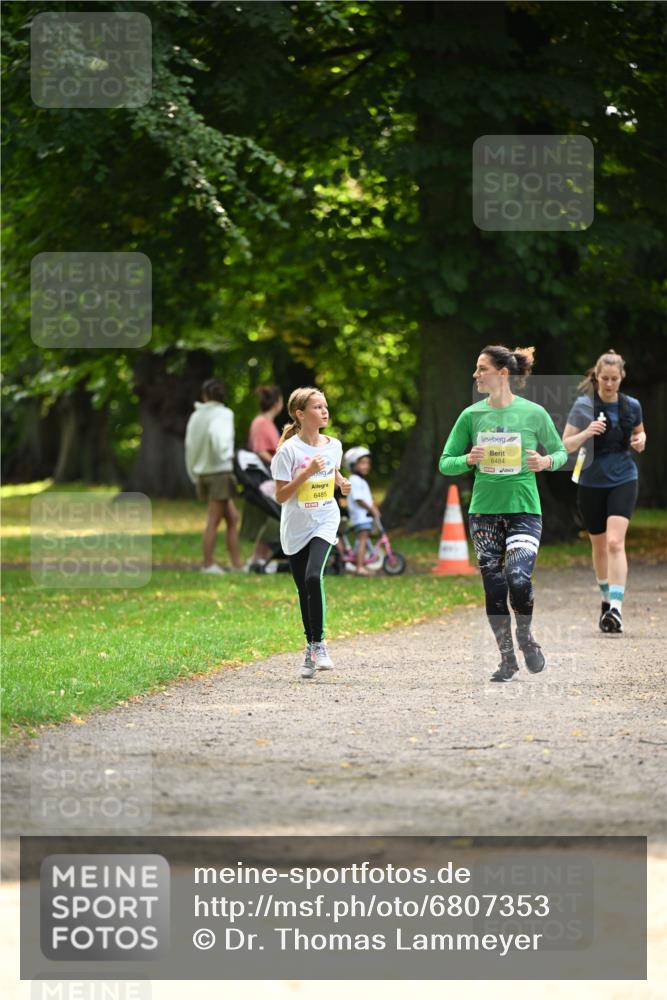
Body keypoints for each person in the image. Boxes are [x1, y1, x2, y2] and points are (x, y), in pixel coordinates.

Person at [439, 345, 568, 682]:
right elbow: (445, 462)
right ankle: (507, 659)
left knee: (518, 577)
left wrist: (545, 461)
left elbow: (560, 452)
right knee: (494, 587)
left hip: (524, 510)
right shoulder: (471, 416)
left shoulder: (534, 413)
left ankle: (526, 638)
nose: (476, 375)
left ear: (503, 373)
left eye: (482, 368)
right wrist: (468, 459)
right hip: (484, 513)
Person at [562, 350, 646, 634]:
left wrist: (640, 440)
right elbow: (565, 445)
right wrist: (587, 432)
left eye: (614, 379)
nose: (609, 384)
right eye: (604, 378)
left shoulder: (632, 405)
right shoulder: (583, 406)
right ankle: (606, 599)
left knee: (614, 542)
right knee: (598, 546)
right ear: (596, 377)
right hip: (591, 481)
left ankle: (616, 609)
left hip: (624, 477)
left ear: (621, 378)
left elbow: (640, 432)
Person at [271, 387, 351, 679]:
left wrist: (341, 483)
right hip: (296, 526)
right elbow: (281, 496)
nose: (324, 411)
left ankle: (320, 644)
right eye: (317, 407)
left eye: (325, 406)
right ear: (300, 414)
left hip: (325, 519)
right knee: (302, 589)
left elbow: (332, 471)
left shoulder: (334, 445)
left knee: (312, 576)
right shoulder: (288, 452)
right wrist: (305, 473)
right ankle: (310, 647)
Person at [185, 377, 243, 574]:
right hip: (219, 472)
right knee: (214, 519)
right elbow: (218, 437)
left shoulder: (196, 416)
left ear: (204, 395)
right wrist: (226, 455)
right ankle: (208, 564)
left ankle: (236, 564)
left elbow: (189, 446)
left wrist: (193, 471)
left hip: (203, 473)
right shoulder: (224, 414)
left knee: (232, 518)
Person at [240, 385, 283, 569]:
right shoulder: (261, 423)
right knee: (274, 515)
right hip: (268, 477)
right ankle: (258, 557)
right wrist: (278, 464)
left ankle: (260, 557)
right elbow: (260, 450)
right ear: (277, 402)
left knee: (273, 516)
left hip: (274, 476)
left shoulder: (266, 422)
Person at [343, 446, 382, 575]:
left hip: (364, 517)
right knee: (362, 540)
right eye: (362, 463)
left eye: (368, 463)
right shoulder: (354, 480)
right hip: (360, 517)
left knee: (363, 540)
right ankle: (360, 567)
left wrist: (373, 507)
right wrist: (372, 509)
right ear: (352, 465)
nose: (366, 466)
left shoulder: (360, 480)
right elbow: (359, 499)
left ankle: (361, 564)